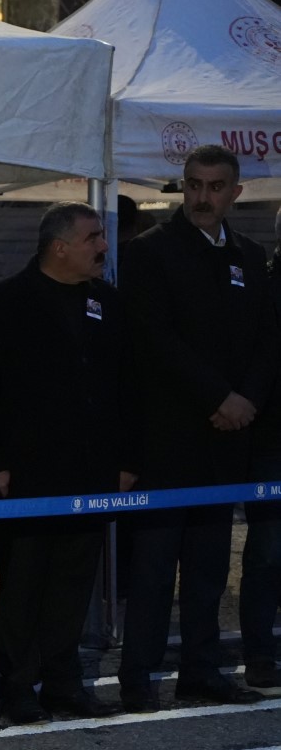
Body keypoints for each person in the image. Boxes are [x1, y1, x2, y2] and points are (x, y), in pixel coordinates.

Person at [120, 145, 278, 708]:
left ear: (236, 192)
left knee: (210, 569)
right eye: (193, 185)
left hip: (228, 438)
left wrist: (246, 401)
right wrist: (219, 396)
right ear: (180, 187)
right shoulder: (150, 253)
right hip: (168, 438)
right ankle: (138, 679)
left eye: (215, 186)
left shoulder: (249, 254)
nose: (202, 196)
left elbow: (267, 341)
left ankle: (201, 671)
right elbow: (154, 340)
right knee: (155, 571)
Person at [0, 203, 126, 723]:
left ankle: (64, 681)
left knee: (73, 580)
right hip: (28, 471)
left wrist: (126, 460)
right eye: (93, 237)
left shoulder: (107, 301)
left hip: (90, 468)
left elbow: (124, 385)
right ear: (59, 246)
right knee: (24, 583)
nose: (103, 246)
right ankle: (16, 684)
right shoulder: (1, 303)